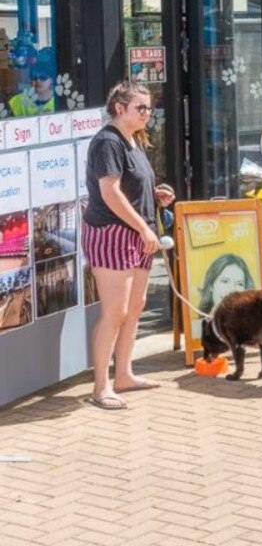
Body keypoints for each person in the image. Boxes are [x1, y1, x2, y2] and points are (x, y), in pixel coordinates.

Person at [83, 81, 175, 410]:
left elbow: (132, 187)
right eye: (141, 107)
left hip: (138, 233)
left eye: (149, 107)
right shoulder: (107, 142)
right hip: (111, 233)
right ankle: (100, 386)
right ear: (120, 108)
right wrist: (142, 227)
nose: (148, 114)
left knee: (134, 308)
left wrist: (155, 195)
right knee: (115, 312)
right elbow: (110, 192)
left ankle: (124, 374)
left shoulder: (132, 139)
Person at [8, 52, 57, 116]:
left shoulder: (59, 100)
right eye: (34, 77)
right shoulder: (18, 100)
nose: (38, 81)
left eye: (43, 77)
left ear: (51, 80)